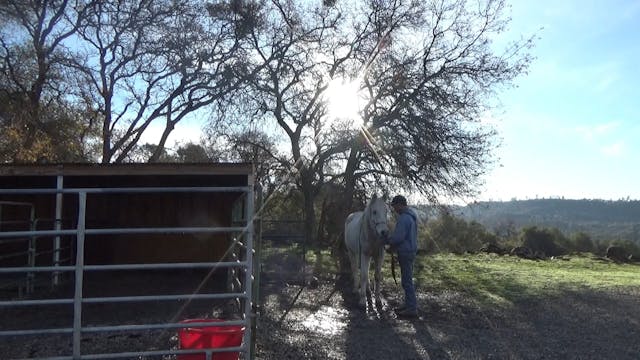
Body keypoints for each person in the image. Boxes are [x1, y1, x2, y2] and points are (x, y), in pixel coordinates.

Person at [384, 195, 418, 318]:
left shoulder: (404, 218)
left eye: (394, 206)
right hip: (411, 251)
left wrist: (387, 240)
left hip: (405, 252)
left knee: (407, 281)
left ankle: (411, 308)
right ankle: (408, 304)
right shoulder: (411, 216)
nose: (394, 209)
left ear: (400, 204)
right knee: (407, 280)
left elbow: (398, 237)